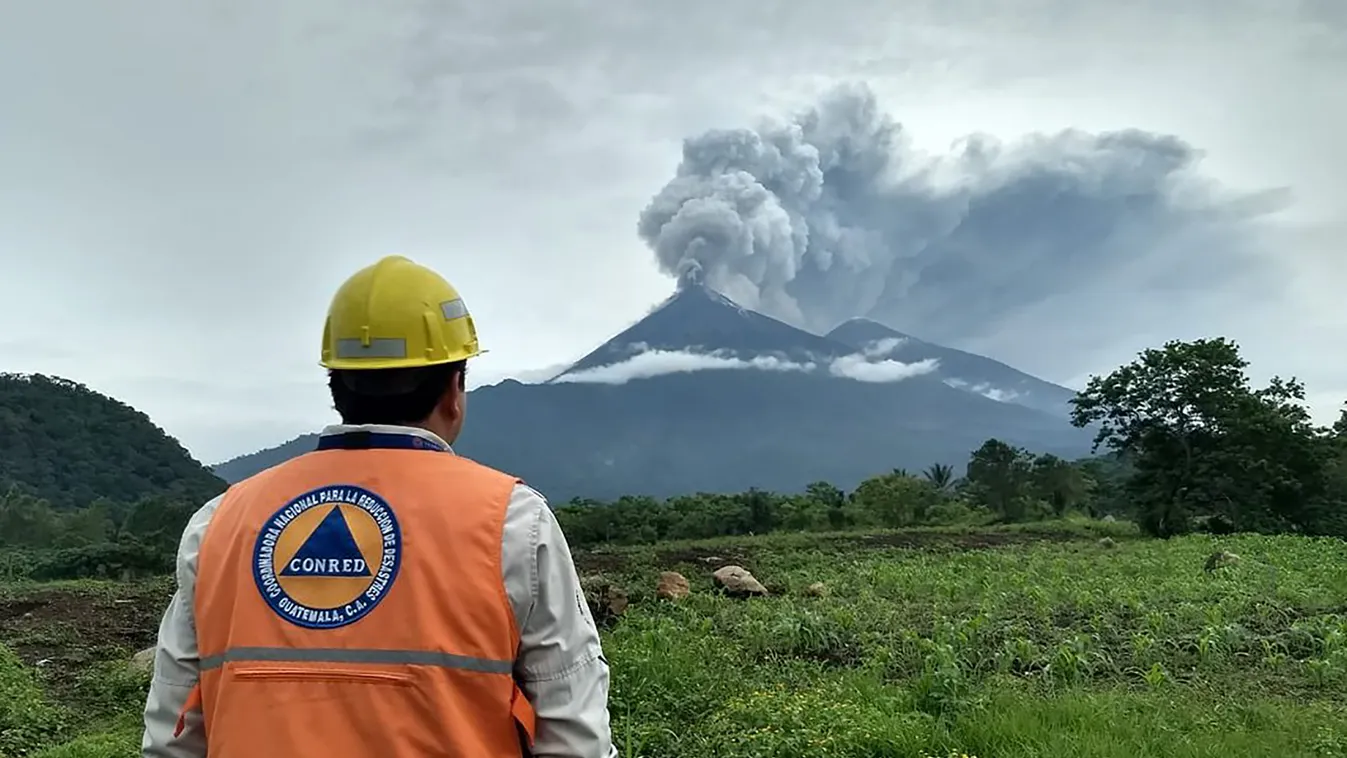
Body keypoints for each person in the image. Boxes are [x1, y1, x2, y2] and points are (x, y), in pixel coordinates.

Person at [140, 255, 617, 757]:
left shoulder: (219, 523)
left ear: (336, 386)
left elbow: (172, 736)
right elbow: (574, 735)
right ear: (455, 390)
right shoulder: (512, 522)